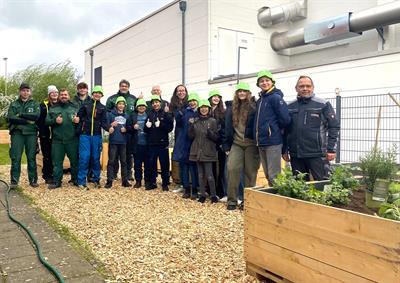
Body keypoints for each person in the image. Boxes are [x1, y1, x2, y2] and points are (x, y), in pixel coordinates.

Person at [283, 75, 340, 181]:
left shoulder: (323, 104)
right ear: (296, 88)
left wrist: (331, 149)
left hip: (317, 154)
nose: (305, 88)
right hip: (296, 154)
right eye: (301, 86)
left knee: (324, 184)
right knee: (299, 187)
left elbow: (334, 126)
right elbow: (285, 129)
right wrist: (284, 150)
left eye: (308, 86)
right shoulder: (290, 106)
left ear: (313, 88)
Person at [223, 82, 260, 210]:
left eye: (244, 91)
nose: (242, 93)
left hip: (251, 144)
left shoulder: (254, 106)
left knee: (250, 173)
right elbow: (226, 128)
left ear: (248, 93)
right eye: (239, 91)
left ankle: (247, 201)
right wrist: (226, 146)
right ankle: (232, 200)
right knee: (232, 169)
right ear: (236, 93)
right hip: (236, 144)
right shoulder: (232, 108)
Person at [254, 70, 291, 186]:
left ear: (272, 82)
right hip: (262, 142)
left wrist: (273, 129)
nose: (264, 83)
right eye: (261, 81)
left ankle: (278, 199)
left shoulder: (275, 98)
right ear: (258, 84)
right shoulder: (260, 100)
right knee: (267, 174)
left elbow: (285, 119)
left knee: (274, 175)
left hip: (273, 141)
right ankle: (273, 198)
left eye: (267, 80)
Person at [7, 83, 40, 188]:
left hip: (31, 134)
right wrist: (27, 120)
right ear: (20, 91)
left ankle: (33, 180)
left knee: (31, 157)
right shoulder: (14, 104)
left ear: (30, 92)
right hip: (17, 133)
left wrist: (21, 115)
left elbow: (36, 117)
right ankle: (14, 181)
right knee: (16, 157)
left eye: (27, 90)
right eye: (23, 90)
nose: (25, 92)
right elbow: (11, 117)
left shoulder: (34, 103)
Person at [45, 89, 80, 189]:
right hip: (57, 141)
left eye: (65, 94)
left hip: (72, 140)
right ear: (59, 96)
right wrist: (55, 121)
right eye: (62, 95)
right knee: (57, 163)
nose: (63, 96)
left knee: (74, 161)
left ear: (68, 96)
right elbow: (46, 121)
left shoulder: (75, 107)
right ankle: (57, 181)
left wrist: (78, 120)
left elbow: (82, 121)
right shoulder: (53, 108)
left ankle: (75, 179)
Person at [76, 85, 108, 189]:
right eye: (95, 93)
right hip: (85, 135)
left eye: (99, 93)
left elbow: (104, 122)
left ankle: (96, 179)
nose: (97, 94)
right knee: (84, 158)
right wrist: (76, 120)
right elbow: (78, 117)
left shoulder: (103, 107)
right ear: (92, 94)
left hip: (97, 136)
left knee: (95, 158)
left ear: (101, 95)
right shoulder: (85, 105)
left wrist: (109, 128)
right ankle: (81, 181)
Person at [188, 99, 219, 203]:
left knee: (210, 175)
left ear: (209, 109)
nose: (204, 109)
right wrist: (191, 126)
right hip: (197, 150)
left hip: (208, 150)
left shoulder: (213, 121)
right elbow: (191, 136)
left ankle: (213, 195)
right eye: (202, 107)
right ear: (199, 109)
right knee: (200, 175)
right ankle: (202, 195)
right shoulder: (195, 121)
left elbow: (216, 138)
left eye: (206, 107)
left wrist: (211, 134)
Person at [172, 92, 199, 199]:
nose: (192, 103)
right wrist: (178, 113)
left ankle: (195, 189)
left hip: (194, 144)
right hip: (184, 143)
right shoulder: (185, 112)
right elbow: (178, 122)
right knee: (184, 167)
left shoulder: (199, 113)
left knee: (193, 168)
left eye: (194, 101)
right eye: (191, 101)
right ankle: (186, 188)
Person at [144, 95, 174, 191]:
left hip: (162, 144)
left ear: (160, 103)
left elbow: (170, 128)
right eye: (153, 103)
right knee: (151, 164)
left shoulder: (165, 114)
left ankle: (165, 183)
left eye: (157, 102)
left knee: (164, 164)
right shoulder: (149, 114)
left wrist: (161, 125)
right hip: (152, 143)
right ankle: (152, 182)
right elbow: (145, 129)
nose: (155, 104)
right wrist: (146, 127)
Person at [105, 96, 131, 188]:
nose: (121, 106)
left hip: (123, 142)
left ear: (125, 106)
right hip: (113, 141)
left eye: (122, 104)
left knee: (124, 162)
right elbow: (105, 125)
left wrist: (126, 129)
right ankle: (109, 180)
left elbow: (130, 127)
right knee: (111, 161)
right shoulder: (111, 114)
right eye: (119, 104)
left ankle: (125, 181)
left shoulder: (127, 116)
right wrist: (110, 126)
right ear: (116, 105)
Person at [37, 85, 59, 184]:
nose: (54, 94)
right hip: (45, 134)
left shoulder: (60, 104)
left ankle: (56, 174)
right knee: (47, 156)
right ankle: (47, 175)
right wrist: (41, 132)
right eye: (52, 92)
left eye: (56, 92)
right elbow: (40, 120)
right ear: (49, 94)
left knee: (55, 156)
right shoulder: (43, 105)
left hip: (57, 135)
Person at [169, 84, 189, 192]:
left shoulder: (189, 103)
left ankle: (191, 183)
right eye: (179, 91)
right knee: (181, 159)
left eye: (183, 90)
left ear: (186, 92)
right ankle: (182, 183)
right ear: (176, 93)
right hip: (179, 132)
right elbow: (174, 118)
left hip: (189, 132)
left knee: (190, 158)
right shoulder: (174, 105)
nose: (181, 92)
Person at [208, 89, 226, 198]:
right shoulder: (206, 111)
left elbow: (224, 129)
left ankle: (221, 191)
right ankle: (211, 190)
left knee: (221, 168)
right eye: (214, 96)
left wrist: (220, 141)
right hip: (209, 144)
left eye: (218, 97)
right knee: (211, 167)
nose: (216, 99)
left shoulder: (223, 112)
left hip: (219, 144)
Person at [130, 98, 150, 188]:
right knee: (137, 164)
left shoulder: (149, 115)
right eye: (139, 106)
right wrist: (133, 127)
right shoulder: (133, 116)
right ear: (137, 107)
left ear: (145, 107)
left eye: (143, 106)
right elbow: (128, 128)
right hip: (137, 144)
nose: (141, 107)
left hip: (147, 144)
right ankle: (138, 181)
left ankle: (147, 181)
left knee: (147, 164)